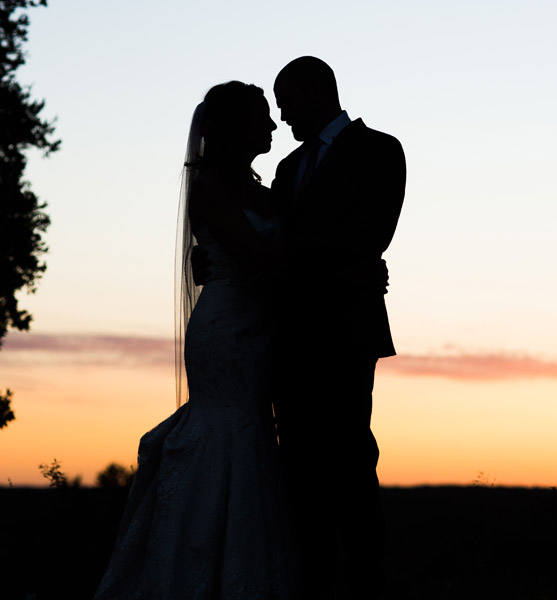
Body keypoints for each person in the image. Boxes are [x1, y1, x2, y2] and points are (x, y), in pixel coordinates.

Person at [94, 81, 297, 599]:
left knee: (249, 432)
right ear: (235, 128)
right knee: (226, 427)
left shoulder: (260, 187)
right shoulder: (211, 186)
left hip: (259, 329)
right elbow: (255, 257)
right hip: (227, 331)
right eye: (262, 118)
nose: (272, 127)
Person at [269, 56, 406, 599]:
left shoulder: (381, 150)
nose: (282, 119)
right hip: (289, 339)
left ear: (316, 92)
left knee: (350, 461)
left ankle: (367, 585)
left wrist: (286, 255)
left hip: (346, 332)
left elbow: (371, 233)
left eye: (287, 104)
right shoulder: (286, 169)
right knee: (299, 471)